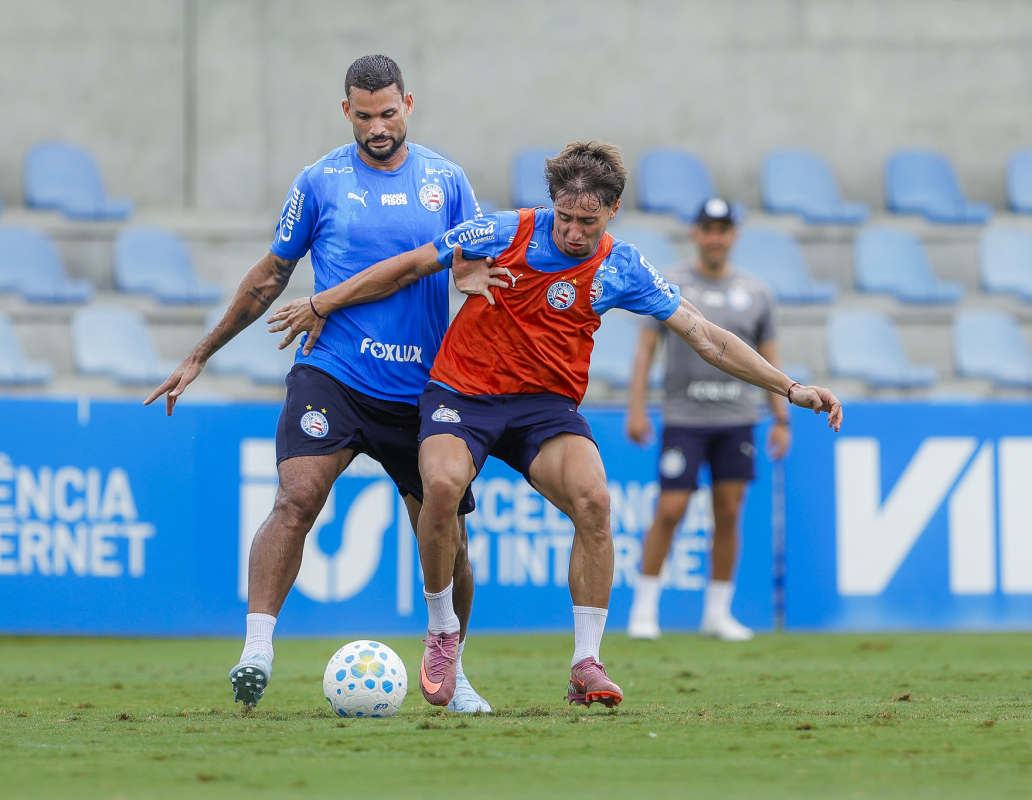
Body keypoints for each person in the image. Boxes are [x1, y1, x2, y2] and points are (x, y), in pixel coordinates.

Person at [268, 141, 843, 709]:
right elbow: (411, 265)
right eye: (564, 217)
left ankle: (585, 664)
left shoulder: (621, 266)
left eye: (586, 221)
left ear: (611, 211)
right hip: (463, 394)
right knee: (441, 487)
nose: (572, 231)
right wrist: (323, 303)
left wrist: (790, 388)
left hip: (543, 407)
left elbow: (706, 336)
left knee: (594, 500)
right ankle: (443, 630)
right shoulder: (505, 231)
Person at [145, 55, 492, 712]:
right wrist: (201, 353)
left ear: (408, 103)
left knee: (448, 532)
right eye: (365, 116)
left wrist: (475, 297)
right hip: (333, 371)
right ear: (346, 112)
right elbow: (270, 275)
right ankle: (256, 650)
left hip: (419, 388)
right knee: (295, 498)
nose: (378, 126)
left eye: (389, 112)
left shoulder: (447, 183)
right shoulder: (319, 181)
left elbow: (472, 269)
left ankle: (455, 668)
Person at [624, 198, 789, 642]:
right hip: (684, 416)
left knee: (729, 512)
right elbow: (646, 349)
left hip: (737, 417)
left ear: (733, 236)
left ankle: (717, 612)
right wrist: (636, 407)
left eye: (723, 229)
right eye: (707, 228)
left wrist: (781, 416)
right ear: (696, 234)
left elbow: (768, 356)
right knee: (671, 509)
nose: (715, 237)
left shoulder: (756, 293)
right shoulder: (672, 282)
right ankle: (644, 609)